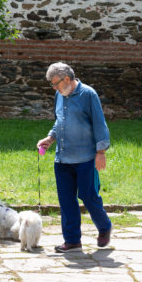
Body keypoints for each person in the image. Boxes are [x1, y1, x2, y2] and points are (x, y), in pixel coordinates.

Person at [36, 62, 112, 253]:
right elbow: (59, 120)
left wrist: (101, 152)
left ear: (67, 79)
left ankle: (104, 226)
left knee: (88, 196)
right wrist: (50, 138)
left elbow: (99, 124)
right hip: (63, 159)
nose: (54, 88)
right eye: (52, 85)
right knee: (66, 200)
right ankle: (72, 241)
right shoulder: (59, 95)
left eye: (56, 84)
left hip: (86, 158)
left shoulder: (88, 94)